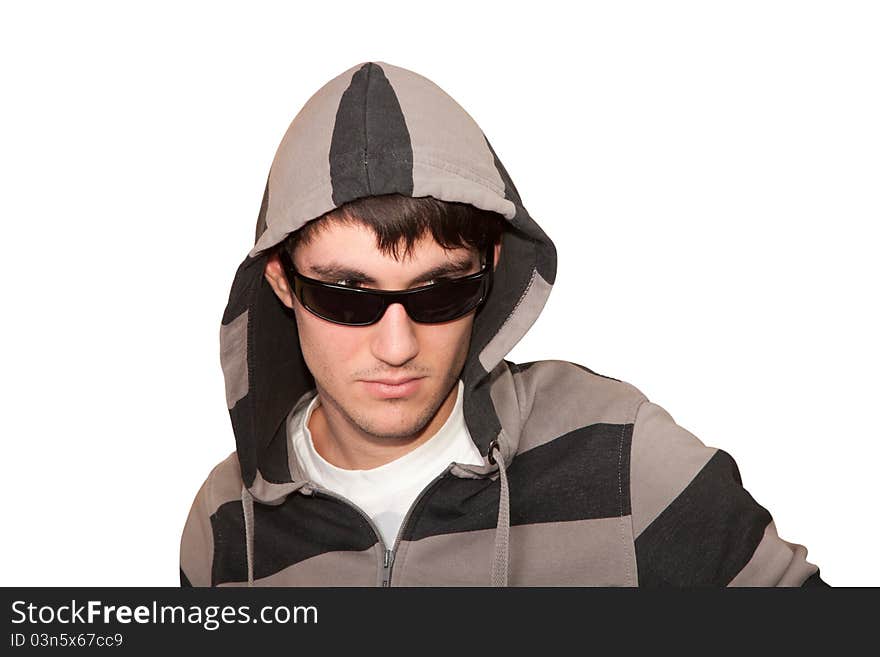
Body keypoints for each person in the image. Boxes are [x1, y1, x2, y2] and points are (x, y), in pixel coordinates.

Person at [179, 61, 828, 587]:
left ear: (490, 268)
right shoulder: (224, 524)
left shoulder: (621, 458)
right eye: (349, 296)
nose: (397, 345)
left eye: (441, 291)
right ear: (282, 282)